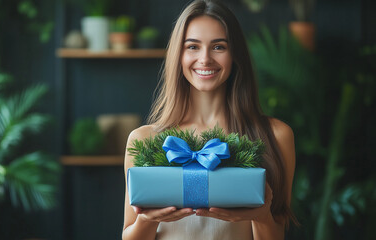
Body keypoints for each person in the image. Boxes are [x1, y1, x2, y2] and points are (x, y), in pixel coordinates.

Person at [122, 0, 296, 239]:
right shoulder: (143, 139)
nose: (205, 59)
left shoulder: (276, 136)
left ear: (235, 54)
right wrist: (146, 219)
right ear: (179, 55)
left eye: (218, 47)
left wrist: (261, 215)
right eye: (193, 46)